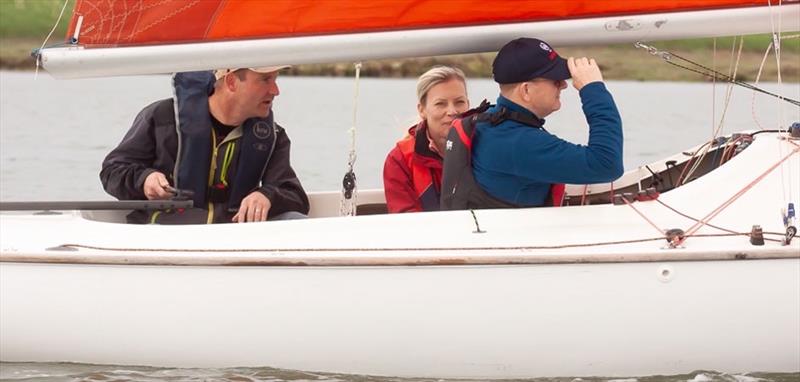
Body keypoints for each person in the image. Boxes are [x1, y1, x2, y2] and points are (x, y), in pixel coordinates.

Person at [100, 67, 310, 224]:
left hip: (230, 241)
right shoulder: (162, 118)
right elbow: (112, 172)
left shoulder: (273, 137)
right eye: (265, 80)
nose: (275, 90)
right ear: (231, 82)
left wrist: (267, 195)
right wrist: (144, 179)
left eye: (275, 79)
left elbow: (295, 196)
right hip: (164, 238)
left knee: (296, 221)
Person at [441, 37, 624, 210]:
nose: (564, 85)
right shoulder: (516, 142)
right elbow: (607, 164)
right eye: (555, 80)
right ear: (526, 90)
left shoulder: (490, 120)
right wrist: (593, 90)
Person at [383, 66, 470, 213]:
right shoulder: (399, 160)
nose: (452, 111)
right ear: (422, 109)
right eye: (440, 104)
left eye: (459, 102)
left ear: (468, 104)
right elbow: (406, 221)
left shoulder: (486, 146)